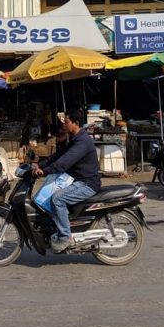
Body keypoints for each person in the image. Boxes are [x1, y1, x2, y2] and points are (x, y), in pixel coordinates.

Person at [32, 108, 101, 253]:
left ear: (76, 123)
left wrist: (44, 171)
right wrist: (40, 164)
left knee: (57, 199)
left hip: (87, 183)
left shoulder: (82, 142)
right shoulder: (76, 139)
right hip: (76, 180)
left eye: (67, 122)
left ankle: (65, 236)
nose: (64, 125)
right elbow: (58, 156)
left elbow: (64, 163)